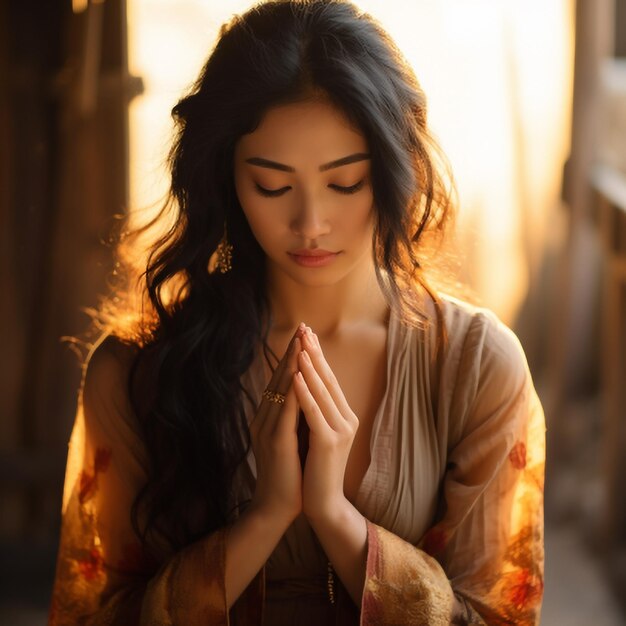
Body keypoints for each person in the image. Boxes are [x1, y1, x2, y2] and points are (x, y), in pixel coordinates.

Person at [48, 0, 545, 624]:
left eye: (345, 183)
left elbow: (497, 616)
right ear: (226, 181)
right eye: (272, 186)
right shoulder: (135, 373)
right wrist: (265, 517)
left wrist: (337, 520)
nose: (311, 224)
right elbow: (98, 615)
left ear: (396, 173)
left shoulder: (475, 368)